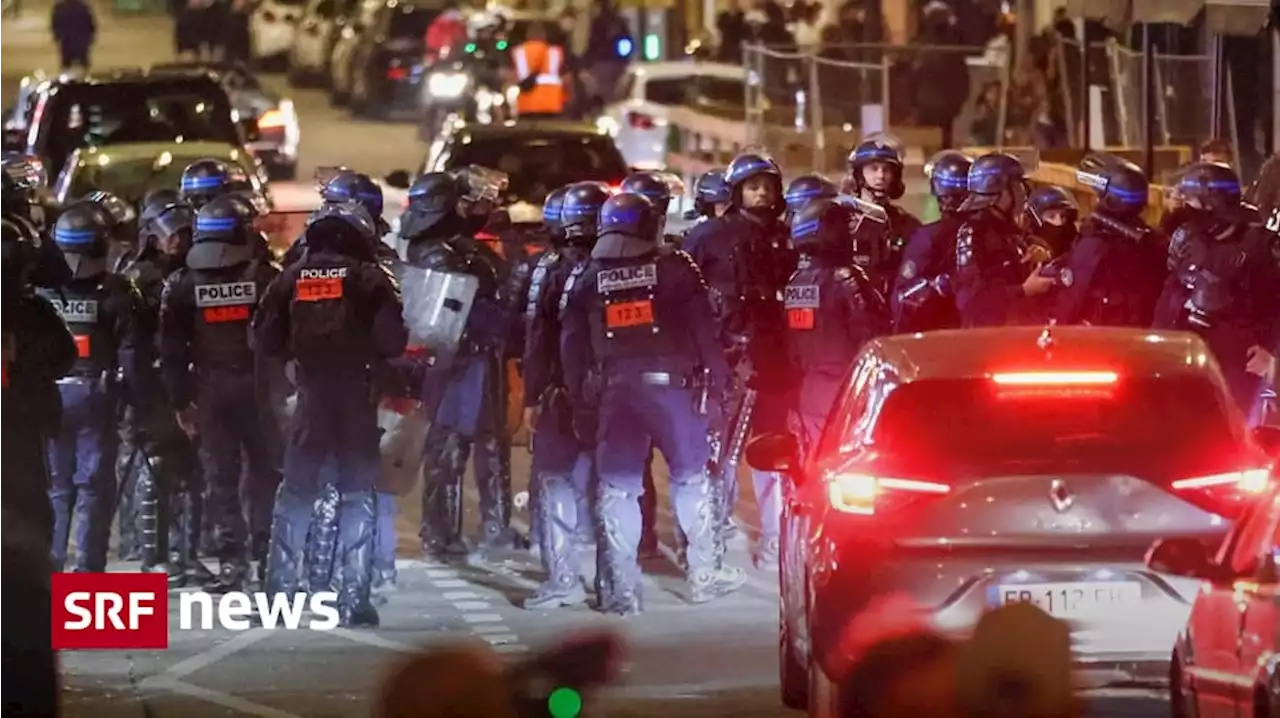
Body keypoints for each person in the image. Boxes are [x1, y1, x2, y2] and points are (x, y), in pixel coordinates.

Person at [560, 192, 745, 614]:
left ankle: (623, 592)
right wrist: (720, 384)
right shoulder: (676, 268)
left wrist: (578, 395)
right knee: (691, 479)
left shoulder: (589, 275)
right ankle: (704, 575)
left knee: (618, 489)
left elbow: (570, 342)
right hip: (673, 393)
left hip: (615, 392)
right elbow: (705, 332)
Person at [255, 202, 408, 627]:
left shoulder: (291, 277)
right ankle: (353, 600)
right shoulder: (373, 279)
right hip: (356, 399)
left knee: (296, 495)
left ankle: (278, 599)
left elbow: (265, 339)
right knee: (358, 496)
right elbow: (392, 341)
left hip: (310, 398)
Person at [160, 194, 282, 591]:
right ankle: (265, 560)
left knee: (220, 478)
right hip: (260, 389)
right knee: (266, 474)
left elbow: (171, 351)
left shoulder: (181, 284)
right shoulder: (265, 278)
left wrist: (181, 401)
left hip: (210, 391)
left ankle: (232, 564)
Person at [401, 168, 518, 559]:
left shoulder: (457, 248)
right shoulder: (441, 254)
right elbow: (467, 308)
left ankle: (496, 526)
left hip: (479, 358)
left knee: (490, 439)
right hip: (457, 359)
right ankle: (441, 534)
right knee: (449, 445)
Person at [41, 204, 148, 574]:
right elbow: (132, 356)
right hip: (95, 397)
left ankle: (51, 567)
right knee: (92, 488)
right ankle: (87, 573)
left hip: (50, 397)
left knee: (57, 488)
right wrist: (139, 403)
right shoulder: (118, 292)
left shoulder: (40, 293)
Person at [522, 181, 611, 610]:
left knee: (559, 483)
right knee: (609, 488)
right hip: (610, 396)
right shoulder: (631, 266)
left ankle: (565, 579)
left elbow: (538, 336)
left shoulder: (552, 271)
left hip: (571, 394)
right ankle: (613, 583)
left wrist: (533, 396)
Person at [120, 197, 211, 583]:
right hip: (152, 385)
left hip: (189, 381)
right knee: (158, 469)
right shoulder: (138, 278)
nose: (180, 240)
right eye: (173, 234)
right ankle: (154, 556)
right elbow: (130, 343)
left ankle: (188, 555)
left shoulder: (196, 272)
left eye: (186, 233)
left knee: (192, 472)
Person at [1154, 162, 1280, 422]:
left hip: (1238, 370)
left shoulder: (1259, 247)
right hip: (1186, 361)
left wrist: (1271, 357)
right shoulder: (1187, 238)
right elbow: (1170, 297)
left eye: (1193, 201)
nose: (1187, 207)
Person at [784, 198, 887, 457]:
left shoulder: (796, 282)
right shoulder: (847, 278)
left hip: (810, 390)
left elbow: (794, 344)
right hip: (848, 390)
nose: (846, 232)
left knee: (813, 464)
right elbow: (871, 338)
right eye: (838, 225)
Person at [0, 215, 78, 552]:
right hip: (24, 425)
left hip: (24, 420)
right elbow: (65, 356)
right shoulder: (35, 311)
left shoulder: (36, 310)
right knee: (31, 506)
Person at [1052, 155, 1165, 327]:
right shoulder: (1152, 239)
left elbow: (1073, 298)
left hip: (1105, 338)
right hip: (1141, 335)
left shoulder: (1098, 241)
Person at [951, 152, 1056, 327]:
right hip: (987, 341)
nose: (1022, 192)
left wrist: (1035, 263)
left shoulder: (1009, 231)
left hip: (1017, 334)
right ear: (996, 192)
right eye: (1016, 186)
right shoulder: (973, 233)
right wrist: (1023, 291)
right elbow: (969, 299)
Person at [892, 149, 970, 334]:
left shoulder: (985, 232)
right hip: (942, 331)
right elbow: (904, 297)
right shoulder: (929, 237)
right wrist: (935, 286)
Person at [842, 137, 921, 294]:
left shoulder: (907, 223)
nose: (881, 176)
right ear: (858, 174)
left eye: (887, 170)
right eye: (873, 168)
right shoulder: (840, 219)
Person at [512, 22, 568, 118]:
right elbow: (566, 76)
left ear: (527, 35)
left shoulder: (519, 51)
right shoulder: (555, 52)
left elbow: (514, 76)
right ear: (544, 35)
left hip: (527, 104)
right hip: (552, 103)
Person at [1024, 184, 1079, 258]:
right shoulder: (1029, 253)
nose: (1059, 222)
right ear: (1035, 219)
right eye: (1051, 216)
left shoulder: (1074, 249)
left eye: (1063, 216)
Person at [50, 0, 95, 71]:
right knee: (82, 62)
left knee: (67, 63)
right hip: (81, 40)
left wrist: (57, 36)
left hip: (66, 40)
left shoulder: (60, 7)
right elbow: (90, 24)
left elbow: (55, 25)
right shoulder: (83, 7)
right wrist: (91, 37)